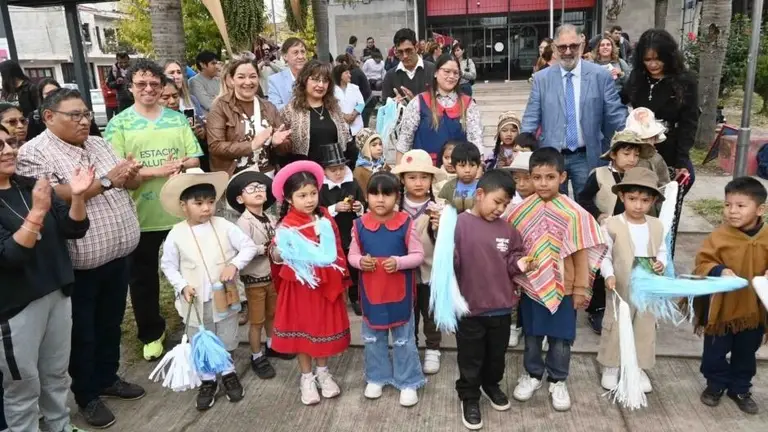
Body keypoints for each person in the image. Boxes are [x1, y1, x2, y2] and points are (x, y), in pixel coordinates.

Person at [15, 89, 144, 429]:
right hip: (79, 265)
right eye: (75, 115)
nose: (84, 120)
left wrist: (130, 175)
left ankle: (108, 377)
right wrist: (107, 180)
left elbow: (124, 182)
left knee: (110, 323)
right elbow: (54, 195)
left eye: (86, 114)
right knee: (82, 334)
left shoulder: (98, 143)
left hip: (117, 255)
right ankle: (87, 395)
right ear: (48, 117)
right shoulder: (34, 153)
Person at [104, 59, 203, 362]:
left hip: (178, 211)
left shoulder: (177, 120)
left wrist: (181, 163)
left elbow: (195, 158)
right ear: (130, 87)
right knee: (143, 278)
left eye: (154, 84)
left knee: (191, 269)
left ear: (162, 87)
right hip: (140, 215)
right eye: (141, 84)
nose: (148, 89)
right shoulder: (119, 124)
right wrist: (156, 171)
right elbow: (116, 170)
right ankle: (151, 332)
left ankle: (196, 323)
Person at [0, 125, 92, 432]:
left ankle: (60, 425)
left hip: (56, 292)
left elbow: (74, 228)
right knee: (23, 385)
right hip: (14, 306)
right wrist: (38, 211)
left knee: (56, 373)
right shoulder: (38, 197)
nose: (9, 150)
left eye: (10, 143)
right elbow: (11, 256)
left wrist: (77, 196)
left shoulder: (32, 186)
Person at [508, 147, 606, 412]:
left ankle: (557, 378)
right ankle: (532, 374)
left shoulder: (574, 213)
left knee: (561, 339)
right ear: (530, 177)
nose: (543, 183)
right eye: (537, 177)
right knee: (532, 335)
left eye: (550, 177)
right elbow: (513, 249)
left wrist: (580, 289)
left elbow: (582, 252)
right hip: (532, 286)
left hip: (565, 288)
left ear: (562, 177)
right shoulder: (521, 212)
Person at [158, 169, 253, 410]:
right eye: (198, 203)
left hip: (224, 295)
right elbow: (168, 265)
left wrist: (234, 264)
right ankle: (208, 379)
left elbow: (248, 247)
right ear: (184, 205)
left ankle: (228, 371)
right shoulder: (176, 234)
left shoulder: (224, 226)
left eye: (210, 202)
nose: (206, 208)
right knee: (202, 337)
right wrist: (182, 285)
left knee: (227, 334)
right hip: (196, 299)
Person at [453, 169, 533, 430]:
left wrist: (520, 263)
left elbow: (513, 259)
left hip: (501, 307)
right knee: (470, 357)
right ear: (480, 194)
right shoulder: (458, 224)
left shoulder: (508, 230)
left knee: (496, 356)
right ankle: (469, 397)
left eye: (505, 204)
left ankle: (491, 385)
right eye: (497, 201)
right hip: (469, 309)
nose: (500, 209)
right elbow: (449, 263)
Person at [269, 161, 351, 405]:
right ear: (289, 198)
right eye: (302, 195)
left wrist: (341, 278)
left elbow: (337, 248)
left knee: (321, 329)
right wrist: (280, 251)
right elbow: (276, 255)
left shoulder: (325, 216)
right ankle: (306, 377)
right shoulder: (287, 225)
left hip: (324, 284)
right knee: (304, 331)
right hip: (300, 288)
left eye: (313, 193)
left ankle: (323, 372)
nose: (309, 200)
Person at [348, 171, 426, 406]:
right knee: (373, 338)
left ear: (397, 196)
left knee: (404, 339)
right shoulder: (359, 225)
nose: (380, 199)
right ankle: (377, 377)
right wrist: (361, 262)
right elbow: (352, 255)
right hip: (372, 294)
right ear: (366, 197)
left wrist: (399, 262)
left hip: (400, 295)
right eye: (374, 194)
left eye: (387, 194)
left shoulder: (405, 223)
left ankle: (408, 380)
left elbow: (418, 255)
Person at [521, 24, 627, 197]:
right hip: (552, 157)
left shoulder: (600, 76)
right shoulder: (541, 79)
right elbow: (532, 115)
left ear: (582, 45)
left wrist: (631, 136)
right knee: (554, 206)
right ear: (554, 47)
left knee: (588, 205)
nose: (568, 51)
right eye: (562, 47)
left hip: (587, 156)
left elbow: (615, 112)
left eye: (573, 46)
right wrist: (523, 142)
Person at [692, 177, 768, 415]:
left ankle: (740, 388)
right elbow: (702, 262)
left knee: (746, 354)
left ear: (760, 209)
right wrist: (719, 270)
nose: (732, 211)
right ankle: (715, 384)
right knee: (714, 353)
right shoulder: (719, 236)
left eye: (740, 205)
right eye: (727, 205)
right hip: (721, 311)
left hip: (752, 312)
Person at [621, 29, 698, 257]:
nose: (653, 64)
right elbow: (620, 102)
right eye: (648, 59)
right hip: (639, 152)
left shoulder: (684, 81)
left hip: (670, 150)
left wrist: (682, 159)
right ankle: (634, 256)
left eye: (658, 59)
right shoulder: (637, 78)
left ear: (669, 56)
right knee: (638, 207)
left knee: (667, 210)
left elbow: (689, 122)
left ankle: (664, 258)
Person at [597, 167, 667, 394]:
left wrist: (661, 264)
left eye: (645, 200)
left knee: (645, 325)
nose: (638, 205)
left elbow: (662, 250)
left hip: (646, 285)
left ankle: (638, 367)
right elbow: (605, 256)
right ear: (622, 197)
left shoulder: (656, 225)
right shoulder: (612, 224)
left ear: (653, 201)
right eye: (633, 199)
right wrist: (608, 274)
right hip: (620, 284)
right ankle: (611, 365)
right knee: (616, 323)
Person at [227, 168, 294, 380]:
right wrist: (263, 248)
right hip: (255, 277)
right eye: (251, 189)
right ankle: (256, 355)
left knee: (272, 314)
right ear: (240, 198)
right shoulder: (243, 223)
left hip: (272, 274)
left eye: (261, 187)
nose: (258, 191)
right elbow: (242, 248)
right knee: (256, 320)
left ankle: (272, 344)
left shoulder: (271, 218)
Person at [391, 150, 444, 375]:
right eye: (412, 177)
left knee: (430, 313)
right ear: (403, 180)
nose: (419, 183)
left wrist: (441, 227)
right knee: (407, 313)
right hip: (402, 273)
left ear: (431, 179)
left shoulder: (439, 208)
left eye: (424, 177)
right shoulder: (394, 207)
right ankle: (409, 346)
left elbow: (448, 243)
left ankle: (433, 348)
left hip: (430, 272)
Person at [206, 57, 290, 176]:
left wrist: (278, 144)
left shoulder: (269, 107)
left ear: (258, 78)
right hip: (234, 175)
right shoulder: (220, 107)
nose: (248, 82)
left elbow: (285, 148)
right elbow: (215, 146)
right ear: (231, 80)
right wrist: (251, 145)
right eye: (241, 77)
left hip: (266, 173)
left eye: (252, 76)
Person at [396, 55, 482, 164]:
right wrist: (399, 170)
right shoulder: (418, 102)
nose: (452, 76)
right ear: (436, 73)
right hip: (424, 168)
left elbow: (476, 142)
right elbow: (404, 142)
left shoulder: (468, 104)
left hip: (457, 169)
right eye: (447, 71)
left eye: (456, 73)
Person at [318, 143, 365, 315]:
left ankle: (355, 297)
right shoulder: (320, 189)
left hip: (350, 232)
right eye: (333, 170)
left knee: (353, 267)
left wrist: (359, 207)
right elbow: (317, 211)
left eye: (341, 168)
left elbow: (363, 203)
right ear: (324, 171)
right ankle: (335, 296)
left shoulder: (352, 183)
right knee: (334, 266)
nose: (338, 173)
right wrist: (334, 208)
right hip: (330, 234)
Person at [280, 60, 351, 165]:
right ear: (304, 80)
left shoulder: (334, 108)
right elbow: (282, 150)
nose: (321, 85)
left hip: (333, 170)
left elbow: (346, 141)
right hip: (304, 170)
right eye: (316, 79)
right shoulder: (290, 110)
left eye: (325, 81)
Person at [158, 80, 209, 172]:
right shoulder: (147, 124)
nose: (172, 101)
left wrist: (201, 137)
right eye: (165, 98)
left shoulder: (188, 117)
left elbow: (202, 158)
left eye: (175, 96)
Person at [26, 79, 101, 140]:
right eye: (75, 115)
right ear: (49, 117)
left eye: (56, 91)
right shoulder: (35, 117)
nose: (84, 122)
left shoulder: (96, 142)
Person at [381, 28, 436, 103]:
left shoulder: (433, 70)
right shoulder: (390, 76)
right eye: (400, 52)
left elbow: (442, 103)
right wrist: (392, 104)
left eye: (408, 50)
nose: (405, 56)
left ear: (416, 47)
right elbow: (384, 105)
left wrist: (414, 104)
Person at [437, 141, 482, 213]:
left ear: (478, 166)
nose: (467, 170)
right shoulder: (448, 187)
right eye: (462, 166)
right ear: (454, 167)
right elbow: (440, 207)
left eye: (472, 165)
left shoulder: (484, 187)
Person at [268, 37, 308, 111]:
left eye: (303, 52)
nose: (301, 56)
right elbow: (274, 108)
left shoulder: (314, 77)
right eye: (295, 52)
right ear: (285, 56)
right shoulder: (275, 80)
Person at [333, 63, 365, 136]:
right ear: (340, 75)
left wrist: (353, 115)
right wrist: (344, 116)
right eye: (346, 73)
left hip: (356, 125)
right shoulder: (332, 90)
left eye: (349, 73)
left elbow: (361, 103)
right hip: (340, 125)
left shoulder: (354, 88)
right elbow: (332, 107)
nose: (349, 75)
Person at [352, 127, 387, 192]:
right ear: (365, 149)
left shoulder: (384, 165)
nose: (379, 148)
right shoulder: (359, 172)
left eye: (380, 144)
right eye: (374, 145)